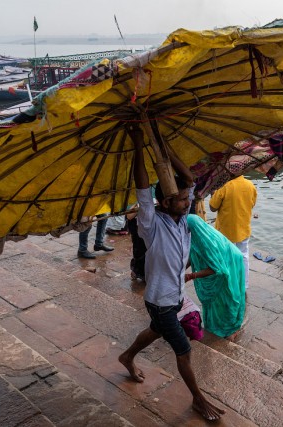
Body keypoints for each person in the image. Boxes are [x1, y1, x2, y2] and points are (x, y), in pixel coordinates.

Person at [118, 125, 225, 421]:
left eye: (186, 197)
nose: (187, 201)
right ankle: (198, 400)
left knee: (154, 332)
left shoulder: (180, 221)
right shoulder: (152, 224)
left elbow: (189, 180)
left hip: (176, 295)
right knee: (182, 348)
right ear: (165, 203)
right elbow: (142, 188)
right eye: (181, 199)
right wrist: (139, 144)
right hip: (160, 300)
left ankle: (127, 356)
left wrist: (160, 143)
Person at [185, 214, 246, 338]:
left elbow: (217, 269)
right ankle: (215, 326)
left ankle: (229, 329)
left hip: (230, 263)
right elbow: (193, 254)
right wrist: (180, 269)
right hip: (226, 261)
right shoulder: (197, 235)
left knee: (226, 297)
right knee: (214, 302)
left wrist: (191, 275)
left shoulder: (206, 242)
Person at [209, 175, 257, 289]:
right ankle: (244, 285)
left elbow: (212, 207)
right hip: (244, 228)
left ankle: (229, 285)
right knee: (244, 256)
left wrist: (213, 193)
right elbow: (252, 204)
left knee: (226, 257)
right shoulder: (250, 185)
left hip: (226, 231)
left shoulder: (225, 186)